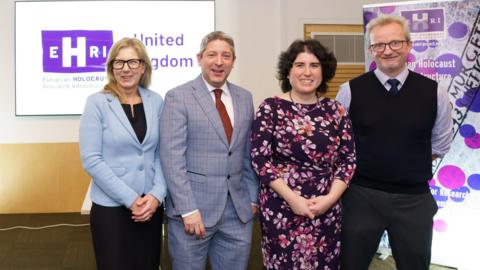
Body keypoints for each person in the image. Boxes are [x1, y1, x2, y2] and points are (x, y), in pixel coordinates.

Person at [336, 15, 453, 270]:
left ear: (409, 45)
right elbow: (339, 144)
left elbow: (441, 144)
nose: (387, 50)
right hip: (360, 196)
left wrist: (403, 162)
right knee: (350, 265)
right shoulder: (349, 91)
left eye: (395, 43)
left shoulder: (435, 92)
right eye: (379, 45)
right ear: (371, 50)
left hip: (413, 199)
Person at [250, 39, 356, 269]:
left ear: (323, 71)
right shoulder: (271, 108)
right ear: (288, 71)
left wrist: (330, 199)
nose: (307, 72)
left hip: (326, 208)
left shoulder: (336, 110)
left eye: (314, 65)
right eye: (299, 65)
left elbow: (348, 161)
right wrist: (293, 199)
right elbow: (260, 159)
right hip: (281, 208)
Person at [159, 31, 258, 270]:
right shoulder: (178, 97)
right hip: (194, 213)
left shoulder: (245, 98)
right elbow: (172, 160)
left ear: (234, 61)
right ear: (199, 58)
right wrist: (188, 209)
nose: (219, 61)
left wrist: (253, 198)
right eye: (212, 54)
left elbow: (248, 154)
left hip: (238, 212)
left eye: (226, 56)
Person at [79, 37, 166, 270]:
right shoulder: (97, 103)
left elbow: (162, 153)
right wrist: (131, 200)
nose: (126, 69)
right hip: (112, 209)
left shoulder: (156, 101)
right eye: (119, 63)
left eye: (133, 62)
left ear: (143, 67)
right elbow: (91, 159)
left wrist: (156, 196)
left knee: (148, 264)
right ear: (111, 68)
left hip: (150, 207)